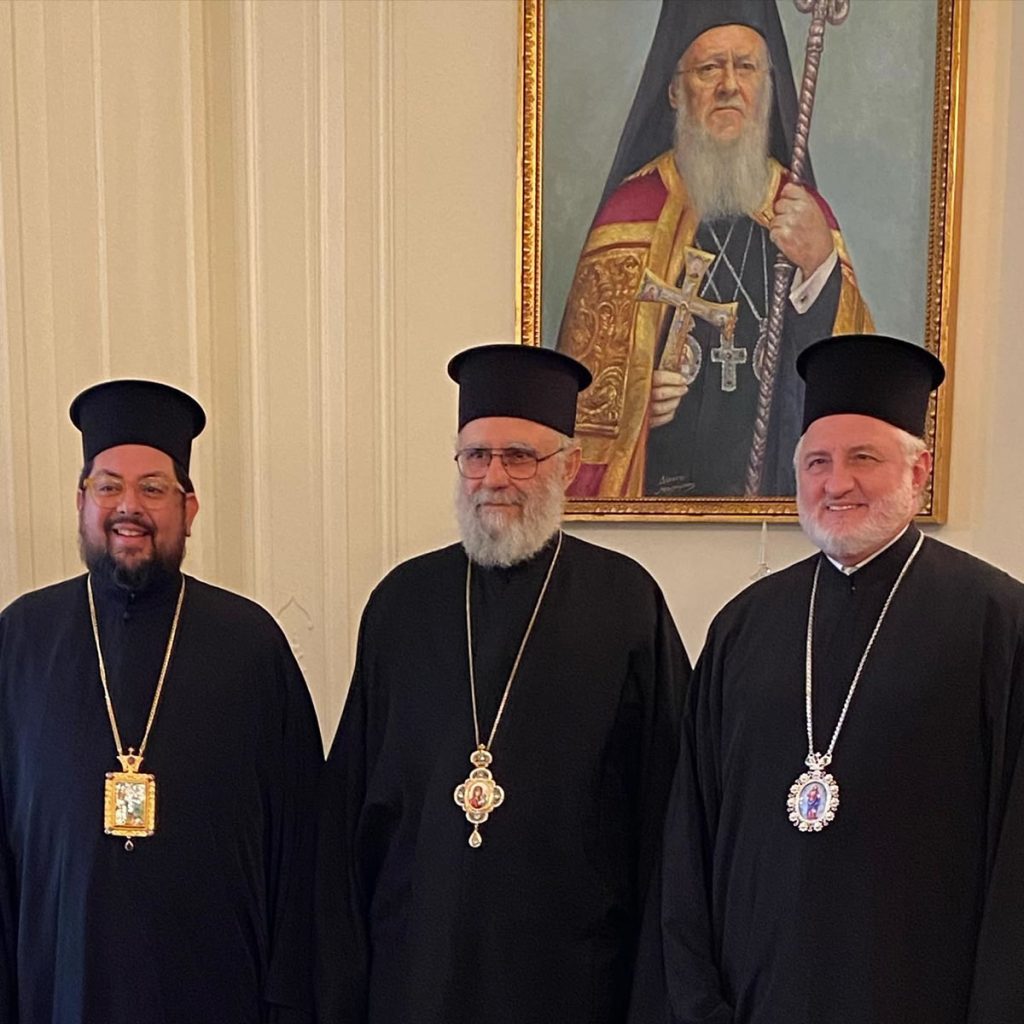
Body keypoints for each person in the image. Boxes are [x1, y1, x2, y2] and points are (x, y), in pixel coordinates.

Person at [633, 335, 1024, 1023]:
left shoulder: (998, 622)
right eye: (817, 462)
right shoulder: (743, 627)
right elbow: (689, 839)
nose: (836, 483)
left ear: (918, 471)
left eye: (862, 458)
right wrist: (698, 1005)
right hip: (754, 1004)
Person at [316, 344, 690, 1024]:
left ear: (569, 466)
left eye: (519, 456)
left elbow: (667, 817)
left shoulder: (626, 603)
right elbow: (353, 813)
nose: (493, 477)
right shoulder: (401, 604)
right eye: (476, 456)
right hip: (418, 969)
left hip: (573, 974)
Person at [0, 380, 323, 1023]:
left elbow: (302, 843)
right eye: (108, 486)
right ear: (81, 501)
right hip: (61, 986)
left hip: (218, 988)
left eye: (153, 488)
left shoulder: (250, 644)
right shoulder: (21, 639)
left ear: (188, 508)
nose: (129, 507)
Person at [557, 0, 873, 499]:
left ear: (767, 87)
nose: (729, 85)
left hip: (775, 508)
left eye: (746, 67)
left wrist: (820, 267)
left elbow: (855, 385)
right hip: (658, 511)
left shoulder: (804, 215)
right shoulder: (630, 212)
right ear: (674, 90)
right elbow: (585, 412)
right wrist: (638, 404)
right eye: (709, 68)